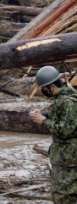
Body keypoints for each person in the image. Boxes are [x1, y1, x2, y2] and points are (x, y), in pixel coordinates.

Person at [29, 66, 77, 204]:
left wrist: (44, 121)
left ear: (52, 86)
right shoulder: (61, 98)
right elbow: (61, 117)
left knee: (64, 194)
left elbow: (66, 130)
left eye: (44, 89)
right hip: (64, 157)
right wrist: (42, 115)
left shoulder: (68, 101)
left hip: (69, 158)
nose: (44, 92)